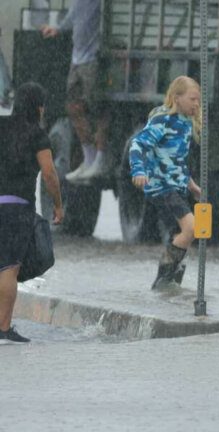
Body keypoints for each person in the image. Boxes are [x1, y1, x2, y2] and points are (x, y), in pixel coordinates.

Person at [0, 82, 64, 344]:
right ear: (39, 108)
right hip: (17, 208)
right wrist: (58, 204)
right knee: (8, 269)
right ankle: (3, 328)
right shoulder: (37, 134)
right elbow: (49, 174)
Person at [129, 76, 202, 290]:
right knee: (192, 228)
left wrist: (191, 185)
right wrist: (138, 170)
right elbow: (137, 144)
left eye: (199, 100)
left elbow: (176, 160)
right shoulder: (163, 120)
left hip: (177, 187)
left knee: (180, 235)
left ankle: (169, 288)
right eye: (192, 99)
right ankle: (163, 281)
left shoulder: (186, 123)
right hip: (162, 187)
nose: (196, 104)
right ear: (177, 98)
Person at [41, 0, 110, 183]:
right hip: (77, 60)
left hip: (92, 60)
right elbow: (72, 17)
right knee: (73, 108)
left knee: (96, 109)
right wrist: (56, 28)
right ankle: (89, 157)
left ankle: (100, 158)